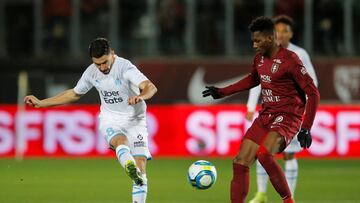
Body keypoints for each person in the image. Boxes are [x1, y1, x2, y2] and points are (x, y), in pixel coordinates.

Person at [24, 38, 157, 203]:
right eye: (98, 64)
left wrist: (140, 96)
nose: (103, 67)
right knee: (120, 142)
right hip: (110, 119)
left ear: (112, 54)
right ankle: (129, 166)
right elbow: (74, 93)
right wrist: (42, 102)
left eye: (105, 62)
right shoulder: (91, 72)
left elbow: (150, 87)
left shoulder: (125, 67)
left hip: (135, 120)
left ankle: (133, 170)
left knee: (141, 168)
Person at [202, 16, 319, 203]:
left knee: (264, 154)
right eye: (253, 41)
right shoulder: (259, 59)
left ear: (270, 39)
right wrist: (223, 92)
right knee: (240, 161)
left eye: (257, 41)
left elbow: (313, 93)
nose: (254, 45)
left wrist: (306, 127)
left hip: (288, 117)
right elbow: (253, 79)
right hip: (266, 115)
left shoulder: (291, 60)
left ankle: (289, 201)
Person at [247, 15, 318, 203]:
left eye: (285, 31)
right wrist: (250, 105)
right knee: (261, 151)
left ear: (291, 33)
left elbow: (313, 84)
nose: (281, 34)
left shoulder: (299, 54)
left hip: (290, 113)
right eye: (277, 30)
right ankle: (261, 193)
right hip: (269, 112)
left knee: (288, 154)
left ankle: (288, 197)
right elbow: (256, 82)